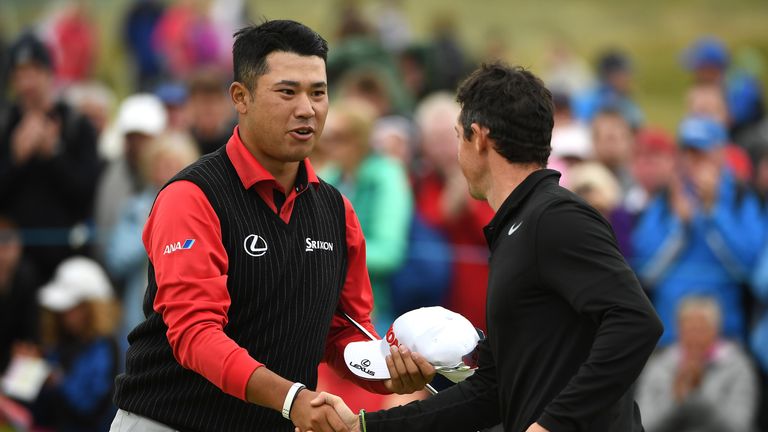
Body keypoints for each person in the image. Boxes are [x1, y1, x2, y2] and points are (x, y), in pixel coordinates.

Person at [110, 20, 433, 432]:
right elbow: (194, 334)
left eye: (318, 92)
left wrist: (388, 372)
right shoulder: (191, 197)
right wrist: (292, 399)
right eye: (287, 91)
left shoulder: (337, 211)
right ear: (240, 98)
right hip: (165, 422)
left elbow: (343, 332)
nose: (307, 108)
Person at [312, 62, 664, 432]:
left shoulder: (556, 217)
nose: (457, 150)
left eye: (457, 136)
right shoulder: (518, 227)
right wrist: (363, 427)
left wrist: (553, 424)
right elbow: (491, 391)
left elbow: (637, 322)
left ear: (478, 137)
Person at [632, 115, 764, 345]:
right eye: (688, 152)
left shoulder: (741, 197)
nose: (693, 161)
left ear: (721, 153)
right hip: (669, 338)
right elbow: (644, 270)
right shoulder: (666, 198)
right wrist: (678, 227)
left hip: (725, 337)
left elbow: (750, 268)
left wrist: (713, 213)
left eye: (701, 153)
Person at [0, 32, 101, 281]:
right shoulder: (4, 125)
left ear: (49, 73)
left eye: (34, 72)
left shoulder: (76, 124)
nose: (27, 83)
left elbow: (87, 191)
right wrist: (15, 159)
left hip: (67, 258)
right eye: (20, 75)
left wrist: (54, 154)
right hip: (12, 266)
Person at [636, 296, 758, 432]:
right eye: (689, 330)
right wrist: (677, 401)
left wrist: (696, 396)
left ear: (716, 330)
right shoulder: (659, 366)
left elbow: (740, 426)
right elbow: (644, 425)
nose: (694, 337)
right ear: (678, 330)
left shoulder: (737, 366)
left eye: (701, 330)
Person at [31, 256, 120, 432]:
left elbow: (92, 408)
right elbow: (40, 412)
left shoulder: (106, 348)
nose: (63, 315)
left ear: (92, 308)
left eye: (72, 307)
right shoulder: (58, 346)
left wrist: (57, 383)